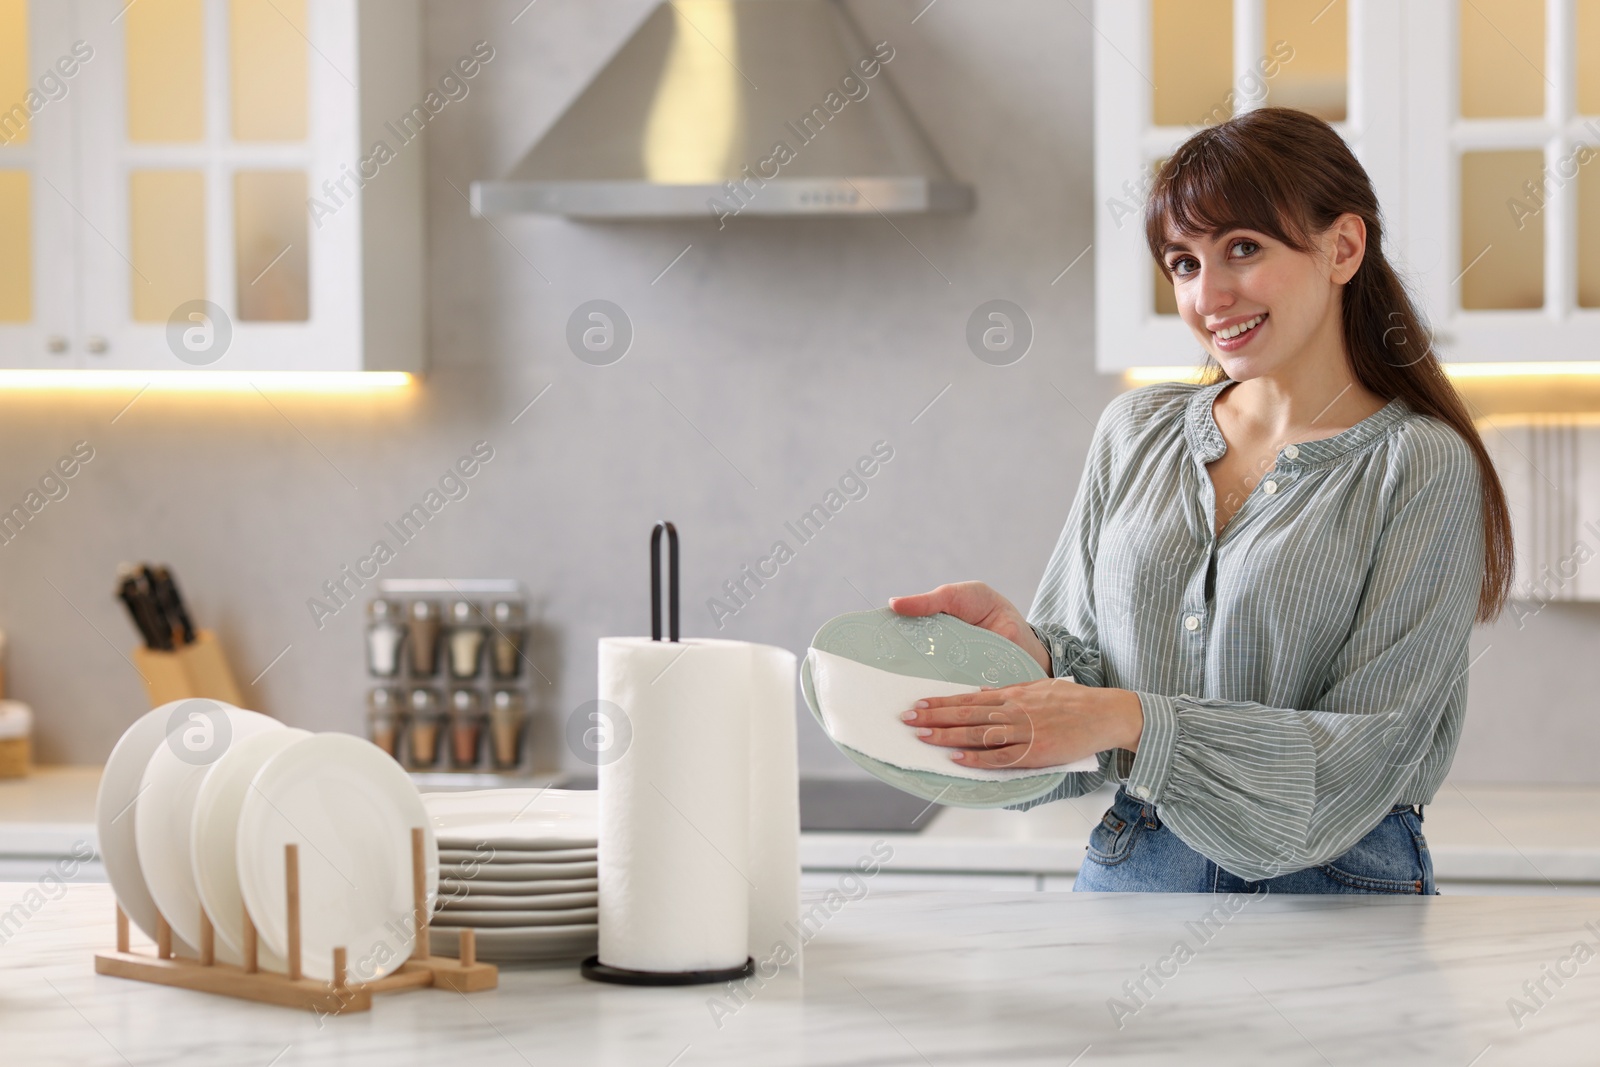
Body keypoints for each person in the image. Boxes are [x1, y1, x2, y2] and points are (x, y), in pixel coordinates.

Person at [889, 107, 1514, 894]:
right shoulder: (1135, 432)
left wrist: (1132, 720)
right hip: (1134, 863)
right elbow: (1092, 697)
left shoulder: (1418, 468)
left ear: (1343, 247)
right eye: (1183, 263)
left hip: (1334, 886)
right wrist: (1034, 659)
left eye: (1242, 250)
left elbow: (1365, 756)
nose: (1208, 295)